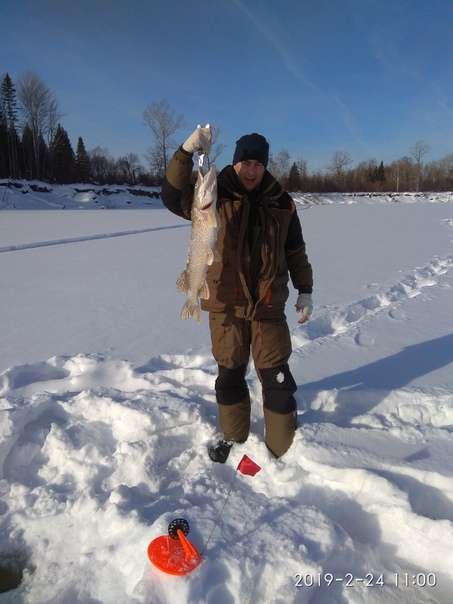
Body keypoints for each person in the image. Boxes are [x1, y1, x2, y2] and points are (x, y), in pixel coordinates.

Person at [161, 125, 313, 463]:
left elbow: (296, 251)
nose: (252, 170)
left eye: (258, 164)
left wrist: (306, 290)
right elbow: (172, 195)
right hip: (225, 304)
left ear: (265, 166)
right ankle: (233, 438)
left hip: (268, 305)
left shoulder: (283, 202)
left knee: (277, 378)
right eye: (246, 163)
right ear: (236, 163)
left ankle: (282, 451)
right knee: (229, 375)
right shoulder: (215, 195)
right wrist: (185, 152)